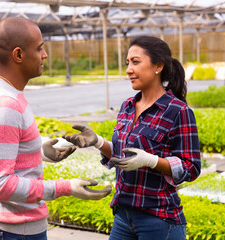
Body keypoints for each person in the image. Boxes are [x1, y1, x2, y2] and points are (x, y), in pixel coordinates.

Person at [0, 17, 111, 240]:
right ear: (18, 55)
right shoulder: (5, 104)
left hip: (1, 226)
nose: (45, 55)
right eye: (40, 48)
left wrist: (39, 151)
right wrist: (66, 187)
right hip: (12, 231)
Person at [63, 35, 201, 240]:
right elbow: (124, 155)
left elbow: (192, 167)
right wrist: (98, 142)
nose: (129, 69)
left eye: (135, 62)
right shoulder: (127, 106)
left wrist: (151, 161)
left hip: (158, 220)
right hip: (123, 216)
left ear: (158, 65)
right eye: (128, 63)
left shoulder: (177, 110)